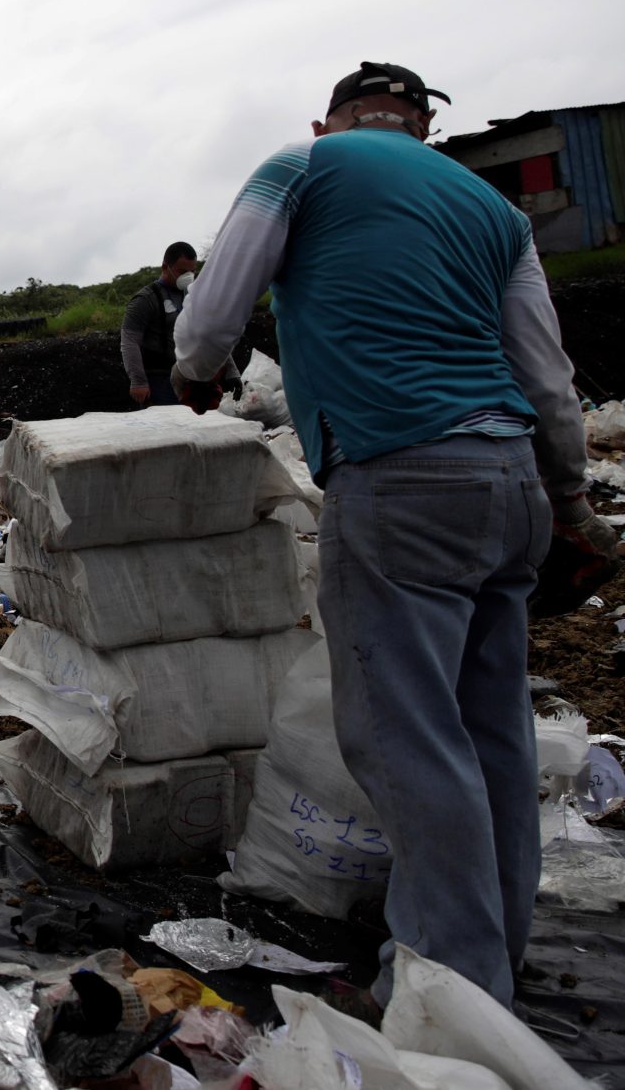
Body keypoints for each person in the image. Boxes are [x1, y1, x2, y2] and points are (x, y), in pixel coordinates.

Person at [172, 61, 617, 1010]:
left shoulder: (302, 166)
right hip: (510, 483)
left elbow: (210, 317)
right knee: (494, 734)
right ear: (424, 129)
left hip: (399, 476)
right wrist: (573, 500)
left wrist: (194, 369)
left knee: (409, 739)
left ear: (329, 121)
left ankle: (445, 988)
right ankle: (495, 959)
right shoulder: (494, 210)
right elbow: (547, 376)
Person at [121, 244, 204, 407]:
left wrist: (230, 373)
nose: (188, 277)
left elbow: (207, 333)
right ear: (165, 267)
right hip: (159, 378)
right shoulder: (145, 299)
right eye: (182, 272)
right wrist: (138, 381)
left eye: (192, 272)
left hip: (190, 376)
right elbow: (129, 341)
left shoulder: (193, 295)